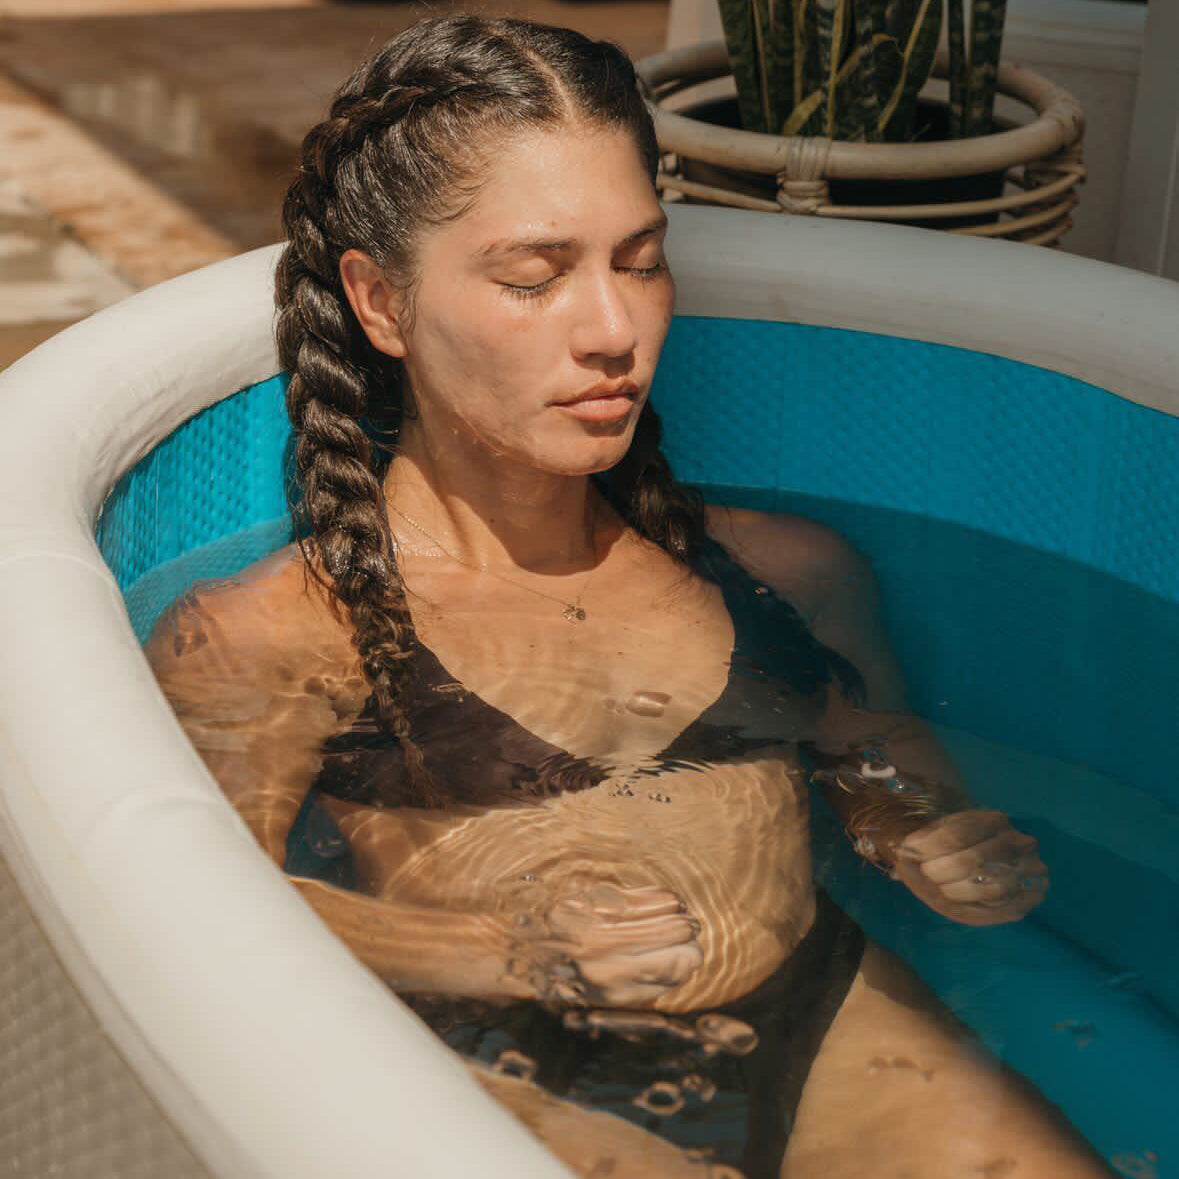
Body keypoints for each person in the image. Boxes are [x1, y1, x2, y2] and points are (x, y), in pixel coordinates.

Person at [144, 14, 1115, 1179]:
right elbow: (188, 933)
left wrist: (915, 831)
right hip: (486, 1063)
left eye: (639, 259)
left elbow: (871, 747)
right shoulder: (279, 632)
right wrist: (498, 952)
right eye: (534, 275)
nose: (613, 331)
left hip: (825, 1022)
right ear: (381, 302)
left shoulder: (787, 574)